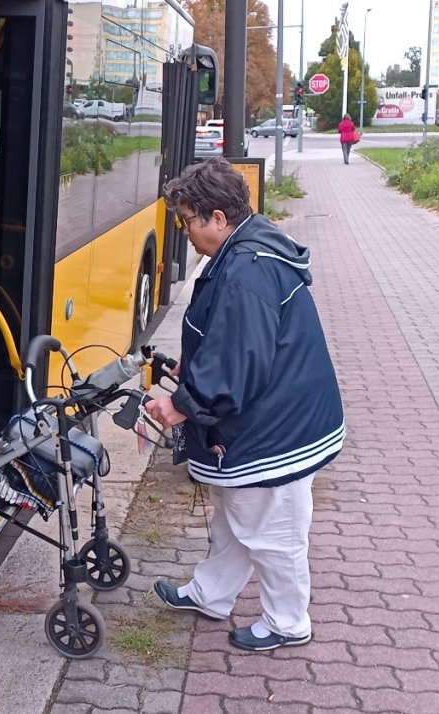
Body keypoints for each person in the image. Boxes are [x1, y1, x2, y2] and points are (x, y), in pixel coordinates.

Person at [145, 157, 344, 652]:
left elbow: (239, 360)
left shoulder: (246, 270)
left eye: (187, 219)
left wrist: (182, 405)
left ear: (217, 218)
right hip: (282, 414)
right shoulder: (248, 250)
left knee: (273, 531)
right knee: (238, 516)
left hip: (276, 428)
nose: (184, 230)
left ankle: (287, 622)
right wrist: (188, 371)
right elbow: (239, 345)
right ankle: (211, 594)